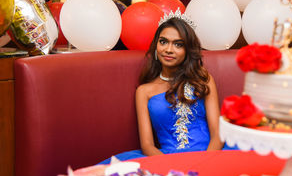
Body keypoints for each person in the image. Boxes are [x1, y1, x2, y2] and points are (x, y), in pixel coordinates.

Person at [99, 11, 235, 164]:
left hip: (210, 155)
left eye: (178, 44)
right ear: (156, 45)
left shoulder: (203, 80)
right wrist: (173, 168)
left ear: (187, 50)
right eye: (163, 42)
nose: (168, 49)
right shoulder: (144, 92)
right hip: (167, 160)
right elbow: (147, 145)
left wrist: (205, 164)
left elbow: (217, 134)